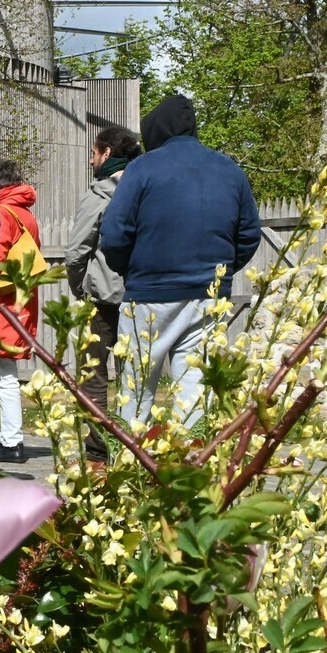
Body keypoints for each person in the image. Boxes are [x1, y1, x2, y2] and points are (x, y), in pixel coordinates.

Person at [99, 93, 260, 428]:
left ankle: (133, 469)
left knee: (137, 392)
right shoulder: (229, 169)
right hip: (208, 298)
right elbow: (248, 236)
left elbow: (114, 235)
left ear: (154, 130)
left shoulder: (142, 168)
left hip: (149, 295)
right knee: (195, 394)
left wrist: (132, 270)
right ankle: (191, 469)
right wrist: (218, 274)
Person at [64, 124, 141, 461]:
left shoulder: (99, 194)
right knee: (135, 377)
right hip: (141, 298)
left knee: (94, 376)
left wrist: (81, 287)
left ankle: (97, 453)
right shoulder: (146, 189)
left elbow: (76, 251)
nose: (91, 162)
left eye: (93, 154)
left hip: (104, 299)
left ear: (107, 154)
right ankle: (133, 448)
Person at [0, 158, 42, 463]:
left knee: (5, 375)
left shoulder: (3, 213)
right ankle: (11, 438)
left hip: (0, 302)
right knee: (8, 373)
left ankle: (11, 440)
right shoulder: (24, 213)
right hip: (20, 298)